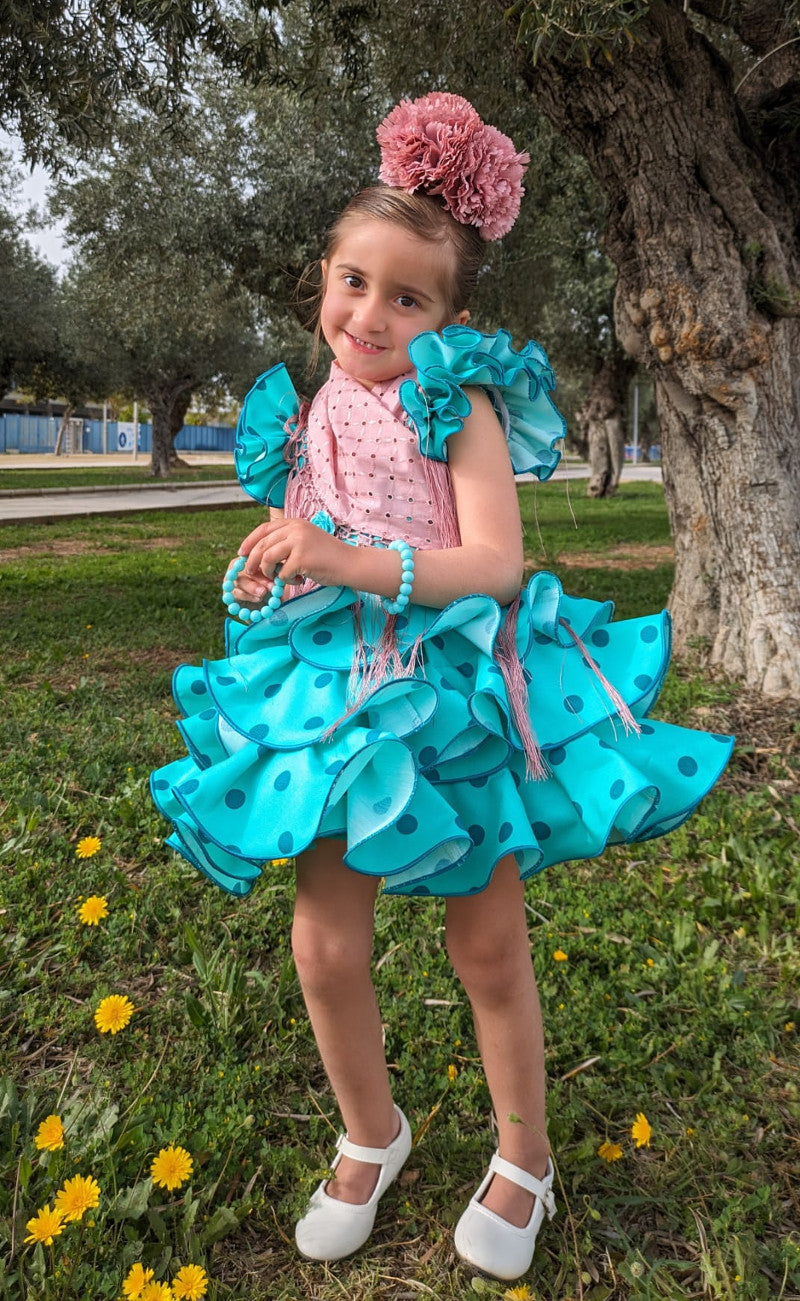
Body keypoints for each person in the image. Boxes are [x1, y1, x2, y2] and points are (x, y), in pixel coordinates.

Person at [151, 92, 733, 1282]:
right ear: (324, 274)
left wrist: (339, 557)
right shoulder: (311, 408)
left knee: (487, 944)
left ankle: (524, 1153)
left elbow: (494, 562)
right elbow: (308, 528)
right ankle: (372, 1130)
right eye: (352, 282)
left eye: (405, 297)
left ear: (448, 315)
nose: (370, 314)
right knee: (322, 944)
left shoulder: (455, 402)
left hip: (456, 689)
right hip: (339, 695)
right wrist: (275, 567)